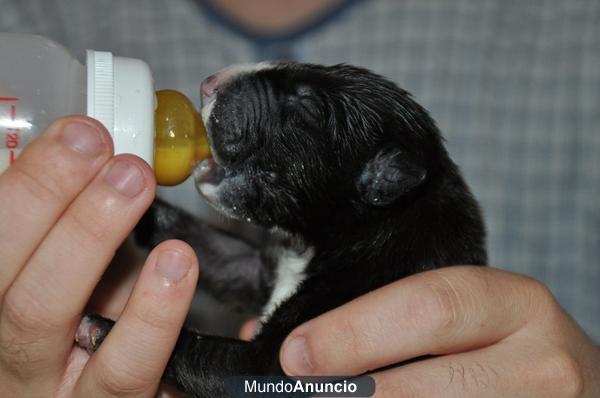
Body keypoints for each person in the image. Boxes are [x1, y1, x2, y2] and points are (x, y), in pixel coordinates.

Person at [0, 0, 598, 396]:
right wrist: (143, 216)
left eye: (305, 106)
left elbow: (258, 380)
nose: (213, 85)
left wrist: (99, 334)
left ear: (381, 179)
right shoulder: (349, 257)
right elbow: (253, 272)